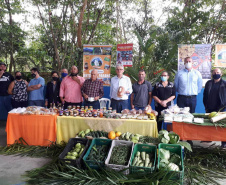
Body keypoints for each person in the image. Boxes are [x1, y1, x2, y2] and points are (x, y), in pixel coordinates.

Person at [203, 68, 226, 148]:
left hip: (221, 108)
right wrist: (205, 105)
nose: (216, 73)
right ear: (212, 74)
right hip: (210, 107)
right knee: (209, 124)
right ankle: (209, 138)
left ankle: (224, 143)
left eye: (218, 72)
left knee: (222, 125)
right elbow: (205, 95)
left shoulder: (224, 83)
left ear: (221, 74)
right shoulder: (208, 83)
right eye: (214, 72)